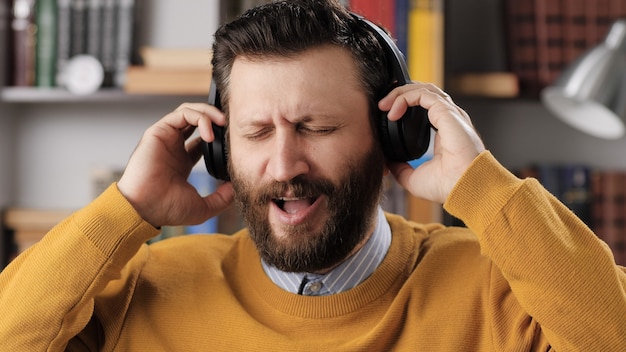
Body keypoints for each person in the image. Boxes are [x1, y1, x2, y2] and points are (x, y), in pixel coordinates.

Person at [1, 0, 625, 350]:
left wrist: (483, 189)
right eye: (256, 132)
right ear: (219, 150)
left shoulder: (501, 291)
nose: (284, 166)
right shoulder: (145, 286)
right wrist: (126, 207)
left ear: (393, 138)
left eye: (317, 129)